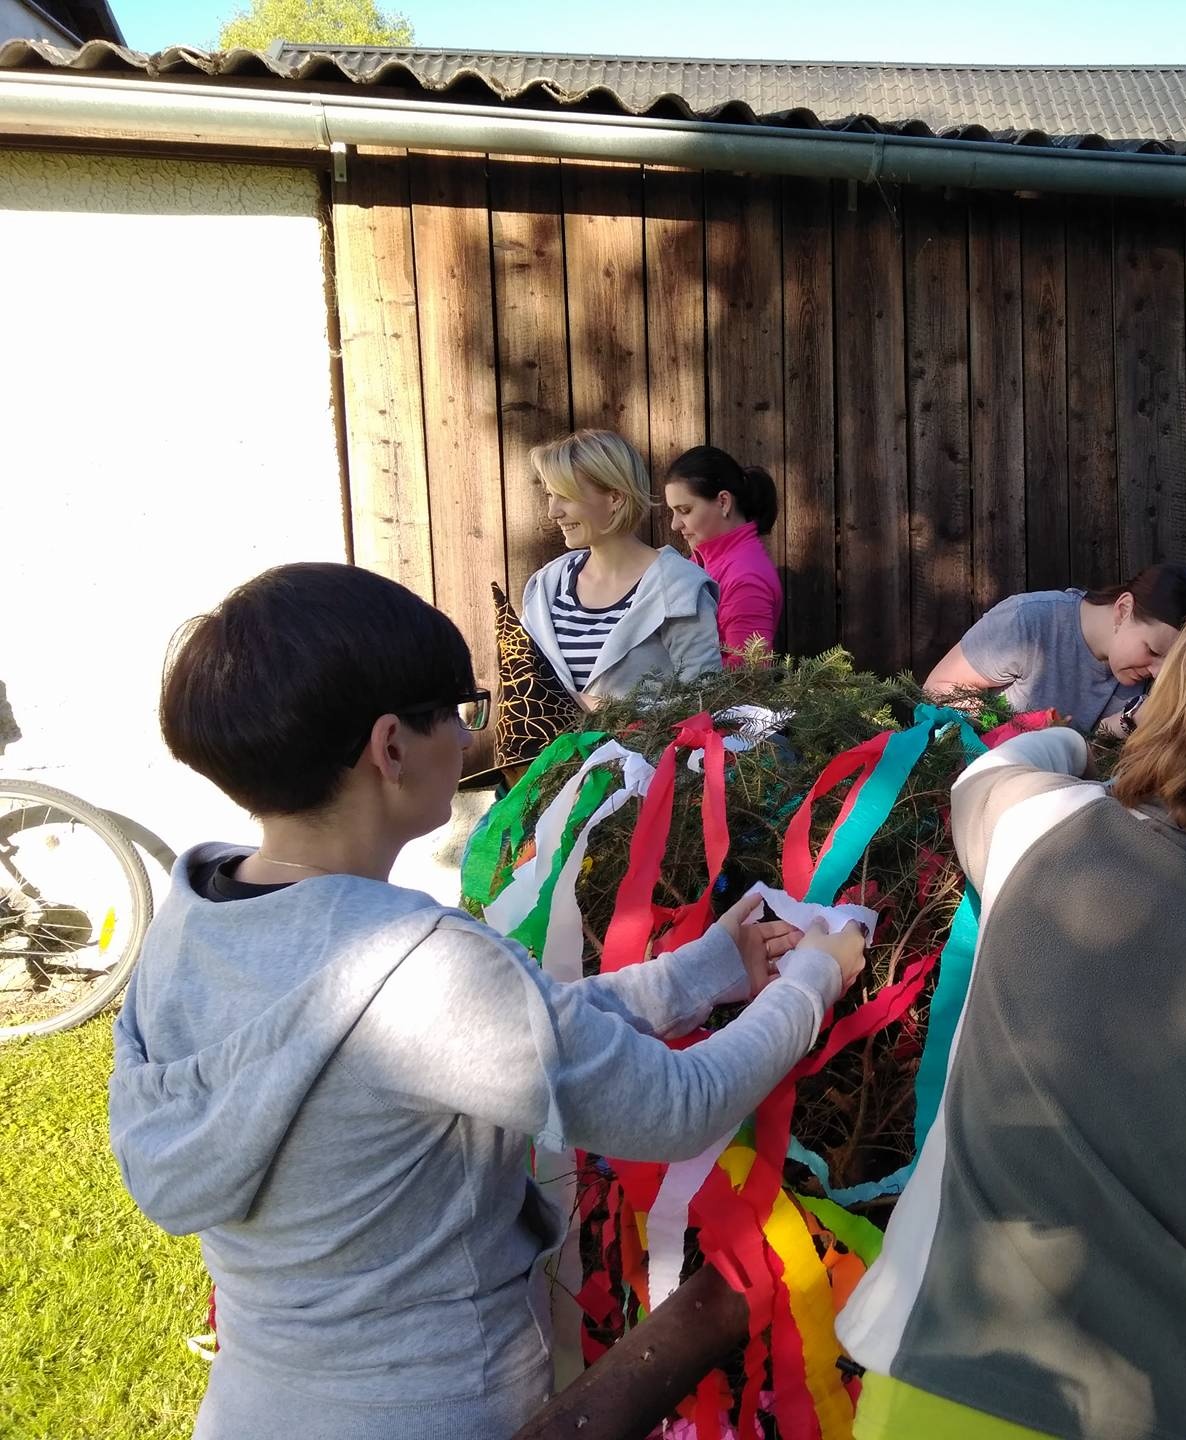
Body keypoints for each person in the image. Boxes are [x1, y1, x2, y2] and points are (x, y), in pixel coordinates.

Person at [110, 563, 866, 1440]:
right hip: (432, 1415)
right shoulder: (422, 968)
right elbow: (677, 1105)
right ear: (391, 747)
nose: (472, 734)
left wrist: (705, 971)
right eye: (459, 709)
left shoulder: (189, 924)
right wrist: (814, 980)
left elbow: (514, 1031)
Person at [838, 585, 1186, 1440]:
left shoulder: (1044, 826)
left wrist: (1073, 740)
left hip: (953, 1385)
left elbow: (982, 778)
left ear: (1171, 710)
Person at [522, 429, 721, 706]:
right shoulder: (547, 586)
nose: (553, 512)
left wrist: (598, 707)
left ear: (615, 498)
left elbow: (705, 703)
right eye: (549, 495)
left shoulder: (679, 587)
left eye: (566, 496)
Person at [923, 562, 1186, 736]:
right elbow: (938, 687)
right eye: (1153, 651)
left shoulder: (1152, 678)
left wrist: (1122, 725)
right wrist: (1014, 731)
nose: (1158, 674)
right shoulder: (1028, 621)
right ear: (1123, 609)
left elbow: (1093, 756)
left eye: (1170, 663)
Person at [662, 444, 783, 665]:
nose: (675, 524)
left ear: (723, 502)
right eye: (673, 511)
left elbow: (749, 675)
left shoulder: (746, 579)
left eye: (685, 510)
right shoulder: (706, 560)